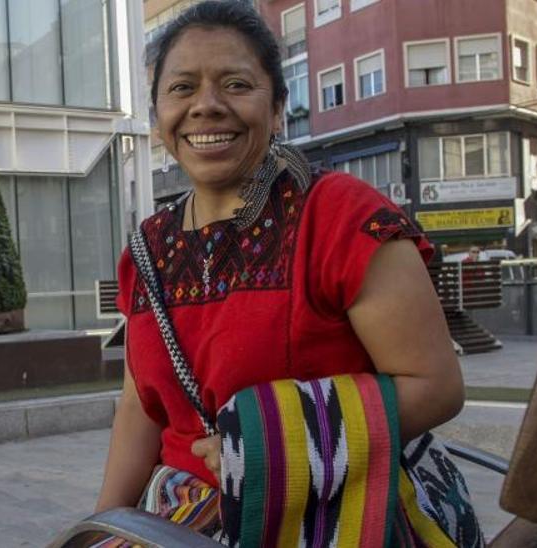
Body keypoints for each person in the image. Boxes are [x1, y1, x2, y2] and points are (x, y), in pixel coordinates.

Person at [95, 0, 466, 540]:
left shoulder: (341, 216)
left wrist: (267, 448)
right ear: (158, 118)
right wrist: (104, 525)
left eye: (236, 85)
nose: (207, 106)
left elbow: (436, 386)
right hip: (178, 522)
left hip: (328, 514)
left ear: (276, 110)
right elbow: (140, 407)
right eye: (182, 89)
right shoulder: (147, 250)